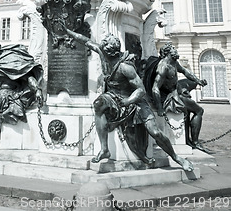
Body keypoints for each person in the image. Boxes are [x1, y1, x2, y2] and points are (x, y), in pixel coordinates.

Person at [62, 26, 194, 172]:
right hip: (113, 96)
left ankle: (177, 158)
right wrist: (67, 31)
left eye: (108, 53)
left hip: (134, 99)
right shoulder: (102, 52)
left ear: (114, 52)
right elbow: (86, 41)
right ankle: (105, 149)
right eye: (104, 50)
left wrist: (128, 102)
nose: (104, 54)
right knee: (98, 104)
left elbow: (141, 90)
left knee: (155, 132)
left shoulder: (125, 67)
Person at [144, 42, 207, 150]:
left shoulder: (173, 62)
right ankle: (195, 142)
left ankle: (189, 140)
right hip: (168, 97)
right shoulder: (164, 67)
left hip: (174, 91)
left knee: (189, 103)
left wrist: (198, 81)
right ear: (167, 52)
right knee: (199, 111)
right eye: (173, 48)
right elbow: (155, 88)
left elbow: (185, 71)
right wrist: (159, 108)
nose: (175, 49)